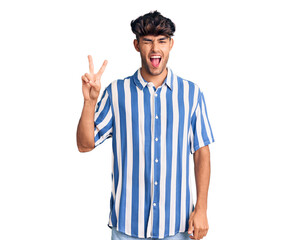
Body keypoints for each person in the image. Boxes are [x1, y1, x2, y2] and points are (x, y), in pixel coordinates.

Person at [76, 11, 215, 240]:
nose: (155, 49)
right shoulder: (117, 93)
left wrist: (201, 208)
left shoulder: (192, 94)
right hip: (127, 229)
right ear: (136, 45)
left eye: (161, 41)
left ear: (171, 44)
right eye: (148, 41)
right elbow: (84, 144)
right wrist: (89, 102)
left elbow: (202, 152)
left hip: (177, 227)